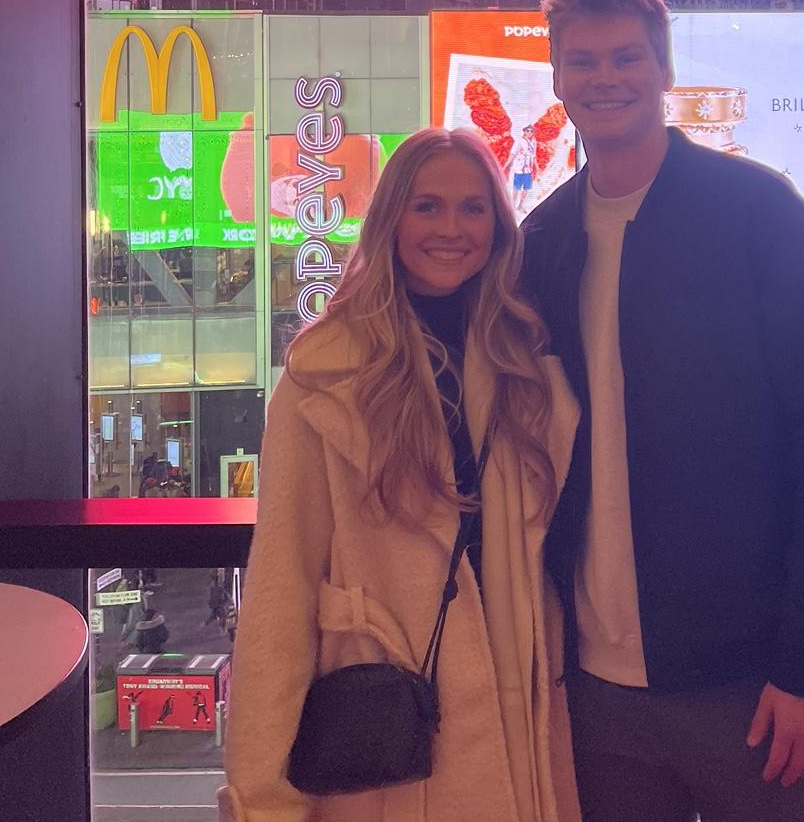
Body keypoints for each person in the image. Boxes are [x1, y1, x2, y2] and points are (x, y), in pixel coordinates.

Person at [520, 0, 804, 819]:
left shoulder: (759, 215)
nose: (605, 77)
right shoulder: (543, 241)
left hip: (753, 687)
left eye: (627, 58)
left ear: (664, 71)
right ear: (558, 78)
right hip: (592, 693)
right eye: (583, 60)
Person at [221, 128, 580, 822]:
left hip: (520, 706)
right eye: (427, 206)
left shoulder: (524, 363)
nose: (452, 228)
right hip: (388, 735)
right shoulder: (322, 377)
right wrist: (261, 794)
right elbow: (282, 589)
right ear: (391, 218)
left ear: (498, 227)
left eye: (473, 208)